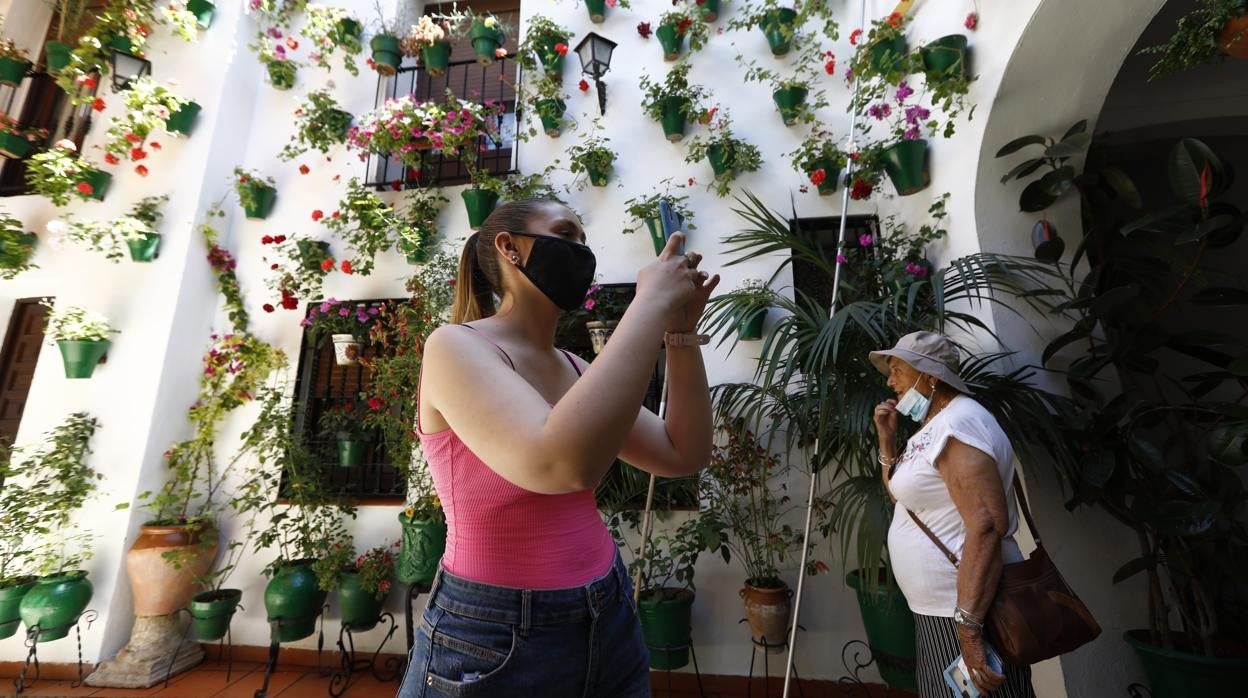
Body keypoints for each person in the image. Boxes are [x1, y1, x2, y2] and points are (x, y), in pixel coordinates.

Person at [397, 199, 720, 698]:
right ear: (510, 248)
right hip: (496, 632)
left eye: (583, 241)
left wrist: (679, 331)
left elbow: (683, 452)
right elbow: (559, 464)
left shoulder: (573, 366)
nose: (581, 252)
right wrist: (648, 304)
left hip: (608, 609)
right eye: (566, 234)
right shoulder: (455, 346)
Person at [869, 331, 1036, 698]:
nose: (889, 381)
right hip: (941, 610)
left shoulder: (958, 423)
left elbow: (987, 524)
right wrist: (887, 442)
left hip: (966, 608)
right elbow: (905, 498)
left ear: (931, 376)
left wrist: (968, 627)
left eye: (897, 369)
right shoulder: (933, 426)